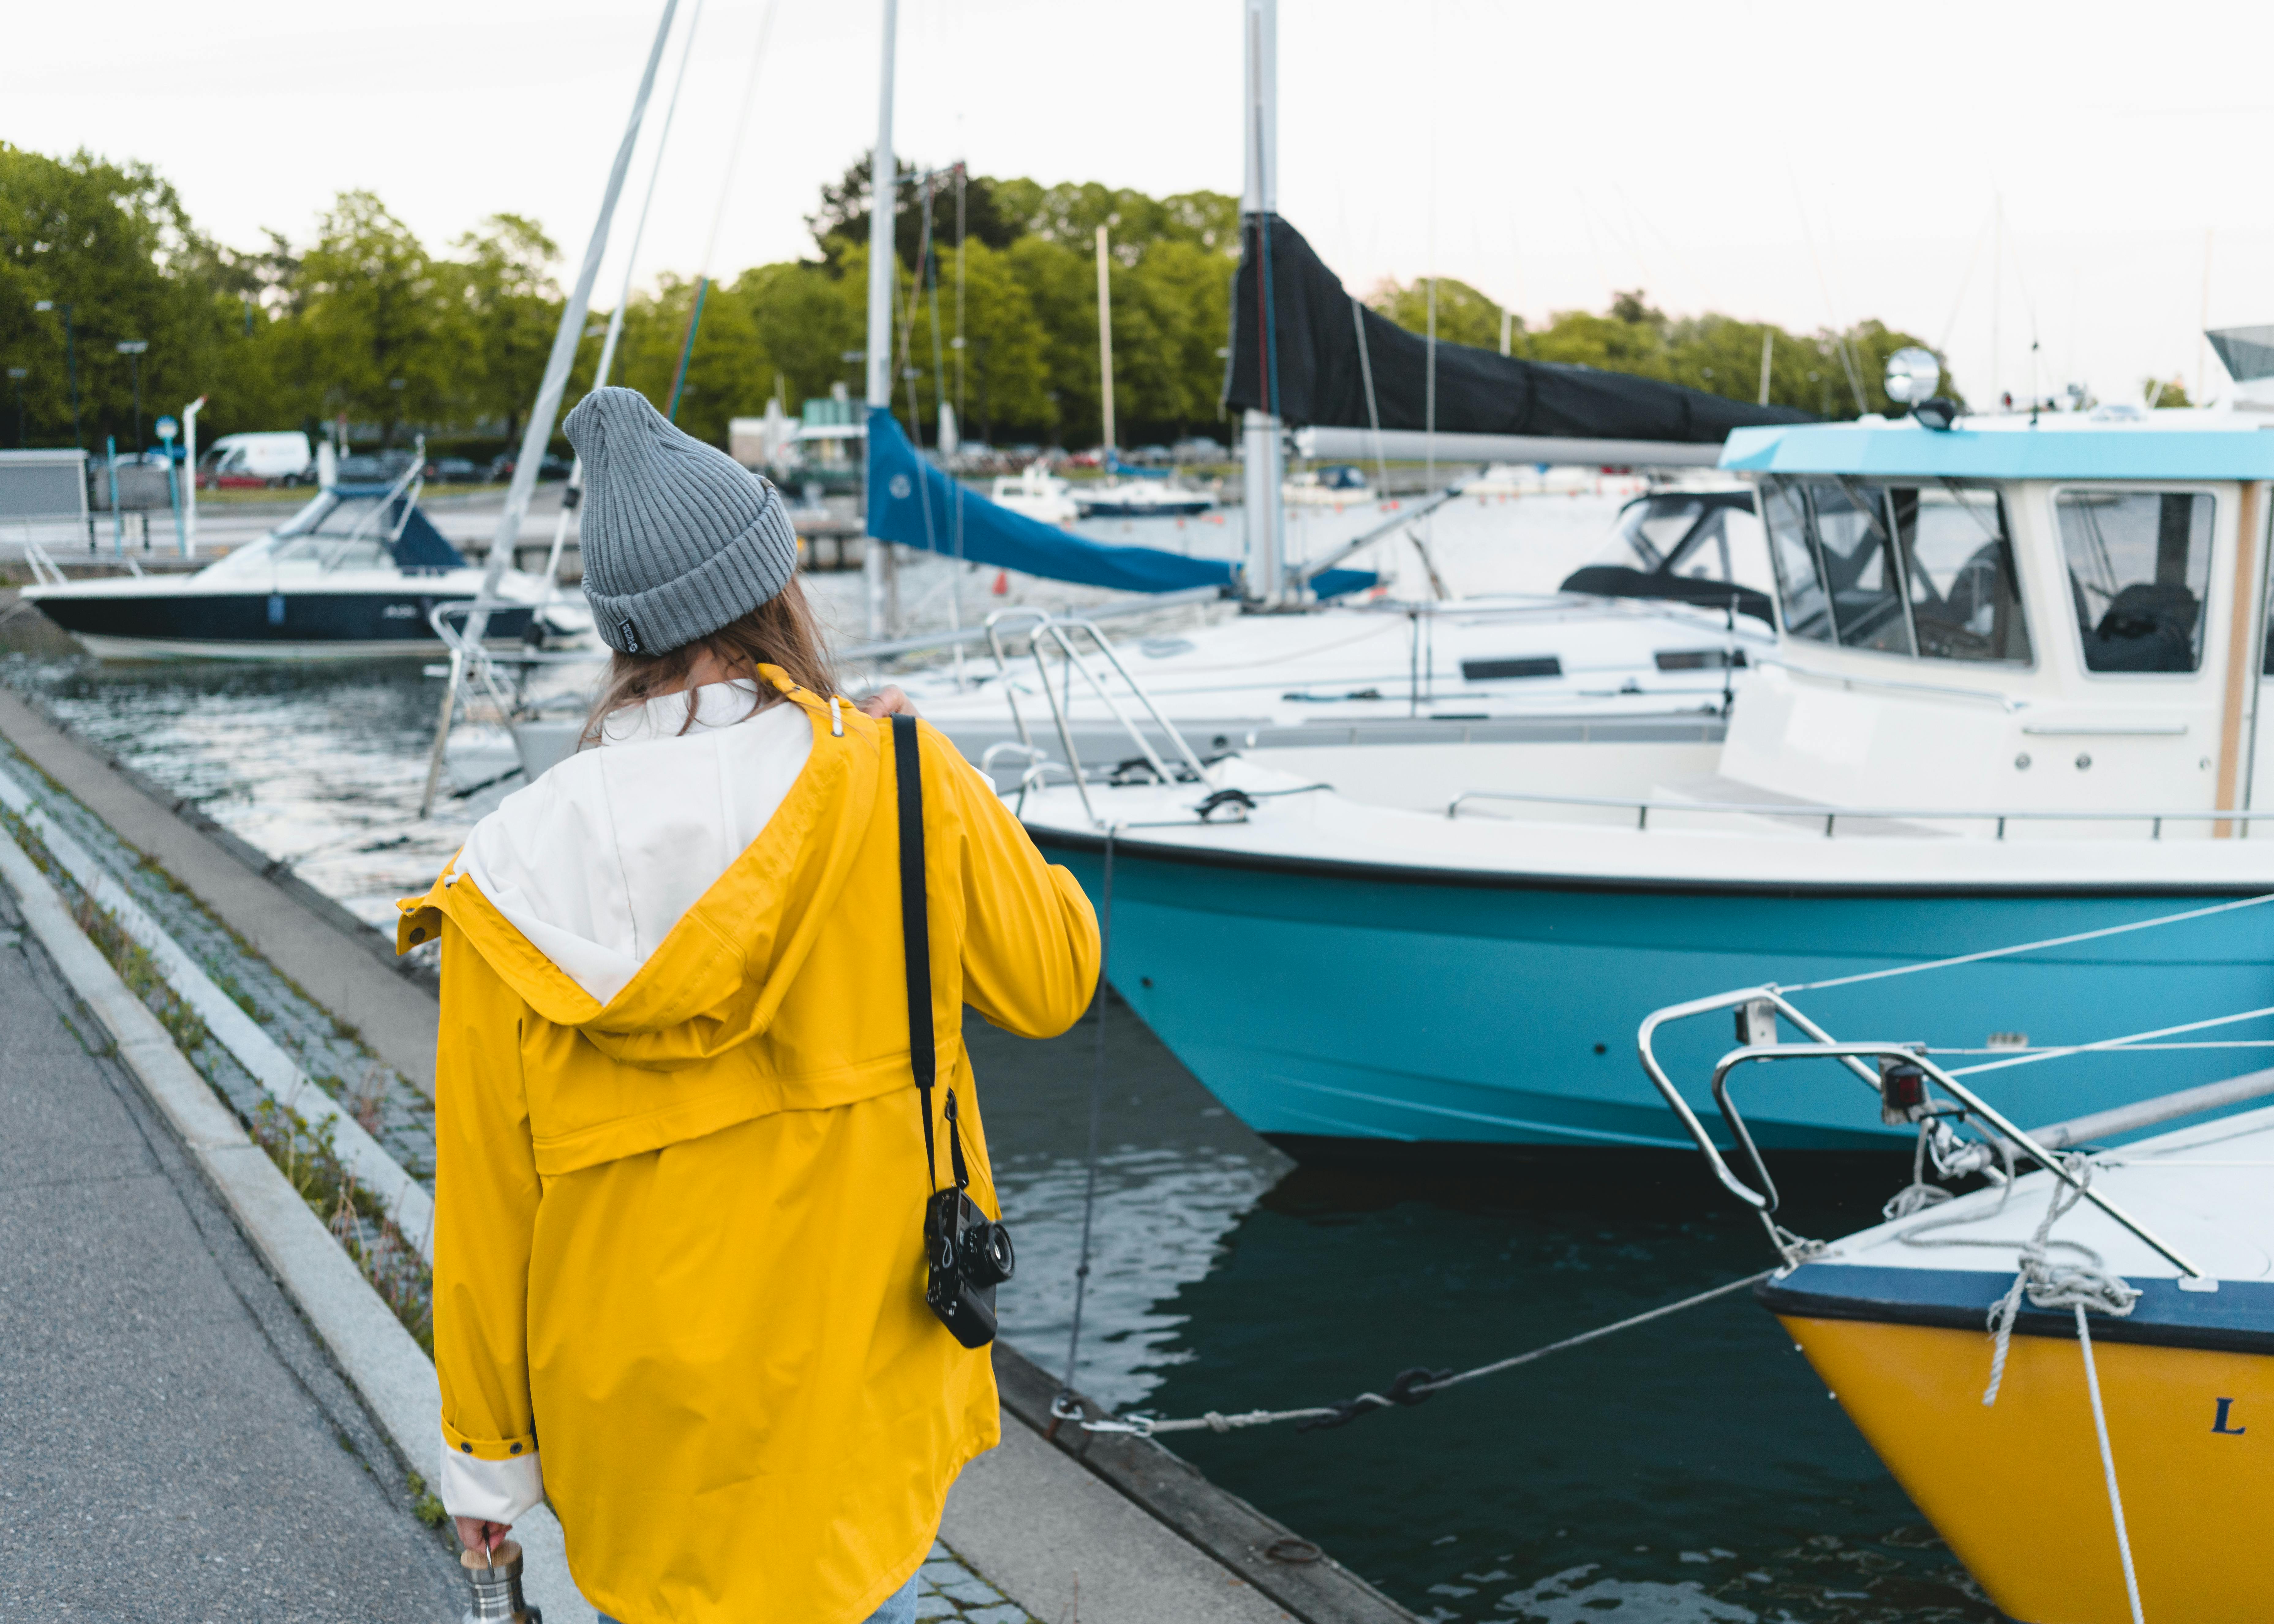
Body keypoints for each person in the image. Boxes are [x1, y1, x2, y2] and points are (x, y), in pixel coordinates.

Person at [397, 387, 1100, 1624]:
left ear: (624, 634)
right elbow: (1052, 982)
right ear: (776, 591)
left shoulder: (506, 864)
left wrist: (485, 1467)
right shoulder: (894, 781)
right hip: (854, 1383)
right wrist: (943, 779)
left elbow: (487, 1204)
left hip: (632, 1420)